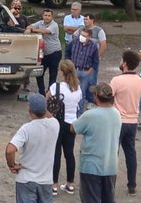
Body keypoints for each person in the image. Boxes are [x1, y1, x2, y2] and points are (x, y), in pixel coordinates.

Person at [70, 82, 121, 203]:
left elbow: (73, 128)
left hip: (91, 166)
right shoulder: (117, 114)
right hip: (110, 166)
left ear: (96, 96)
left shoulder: (90, 115)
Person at [6, 93, 60, 203]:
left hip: (26, 179)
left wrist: (12, 165)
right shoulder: (55, 124)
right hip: (46, 180)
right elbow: (48, 115)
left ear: (30, 111)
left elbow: (10, 150)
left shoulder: (27, 128)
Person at [110, 50, 141, 197]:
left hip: (118, 120)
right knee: (131, 153)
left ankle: (110, 184)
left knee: (113, 154)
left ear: (124, 63)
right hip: (133, 120)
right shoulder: (140, 80)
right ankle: (132, 184)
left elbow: (108, 97)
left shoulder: (116, 80)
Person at [46, 60, 82, 196]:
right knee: (69, 153)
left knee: (56, 153)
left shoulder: (56, 87)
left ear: (62, 72)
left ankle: (53, 184)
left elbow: (45, 100)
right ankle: (70, 183)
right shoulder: (78, 87)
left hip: (58, 122)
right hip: (72, 123)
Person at [25, 9, 62, 95]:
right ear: (42, 16)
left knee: (53, 74)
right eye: (45, 15)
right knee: (39, 73)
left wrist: (32, 30)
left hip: (55, 52)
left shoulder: (54, 25)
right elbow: (29, 26)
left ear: (52, 17)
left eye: (49, 16)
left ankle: (50, 93)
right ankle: (42, 92)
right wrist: (30, 28)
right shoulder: (40, 23)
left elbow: (45, 31)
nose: (47, 17)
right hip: (44, 53)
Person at [73, 14, 106, 103]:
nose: (84, 21)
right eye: (84, 19)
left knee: (91, 82)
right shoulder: (81, 29)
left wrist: (96, 57)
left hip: (92, 62)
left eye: (86, 19)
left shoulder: (99, 30)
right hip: (80, 62)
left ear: (92, 20)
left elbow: (103, 45)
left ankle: (91, 101)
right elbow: (74, 37)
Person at [65, 27, 99, 110]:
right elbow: (67, 52)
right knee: (70, 90)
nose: (82, 37)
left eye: (84, 35)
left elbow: (96, 61)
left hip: (85, 72)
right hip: (73, 70)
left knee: (82, 93)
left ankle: (79, 112)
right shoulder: (74, 42)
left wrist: (89, 71)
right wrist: (69, 64)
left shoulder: (93, 46)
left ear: (89, 37)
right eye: (81, 34)